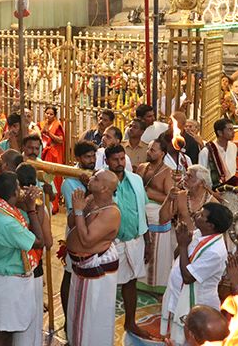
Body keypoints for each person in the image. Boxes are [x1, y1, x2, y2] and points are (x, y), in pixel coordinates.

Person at [0, 172, 47, 346]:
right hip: (7, 282)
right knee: (2, 330)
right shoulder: (8, 223)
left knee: (5, 328)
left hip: (3, 278)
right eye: (18, 188)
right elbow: (40, 242)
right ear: (13, 193)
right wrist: (32, 209)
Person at [160, 203, 232, 345]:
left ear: (210, 225)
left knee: (190, 340)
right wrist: (182, 241)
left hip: (198, 306)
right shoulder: (200, 234)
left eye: (201, 215)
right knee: (176, 337)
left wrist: (182, 244)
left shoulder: (215, 252)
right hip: (179, 295)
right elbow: (179, 257)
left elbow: (188, 278)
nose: (196, 214)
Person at [66, 170, 121, 346]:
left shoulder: (112, 213)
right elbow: (71, 223)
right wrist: (78, 209)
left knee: (91, 316)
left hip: (94, 272)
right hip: (80, 268)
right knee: (78, 315)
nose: (90, 178)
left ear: (105, 188)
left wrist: (80, 211)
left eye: (96, 178)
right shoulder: (90, 200)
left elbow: (87, 240)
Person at [105, 144, 150, 338]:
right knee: (106, 286)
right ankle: (102, 327)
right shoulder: (102, 181)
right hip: (110, 244)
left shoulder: (136, 180)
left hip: (134, 240)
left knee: (131, 283)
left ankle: (130, 323)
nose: (119, 163)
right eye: (115, 159)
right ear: (107, 161)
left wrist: (147, 241)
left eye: (122, 158)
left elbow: (143, 211)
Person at [14, 163, 52, 346]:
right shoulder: (39, 205)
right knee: (32, 314)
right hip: (34, 266)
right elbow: (48, 241)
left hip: (17, 268)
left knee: (19, 315)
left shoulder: (10, 205)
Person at [59, 140, 97, 326]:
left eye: (93, 156)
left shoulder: (94, 175)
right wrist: (90, 187)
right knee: (69, 273)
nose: (92, 160)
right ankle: (68, 319)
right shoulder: (69, 182)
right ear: (78, 158)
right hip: (75, 231)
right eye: (87, 157)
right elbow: (80, 209)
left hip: (92, 231)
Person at [136, 139, 174, 293]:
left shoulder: (168, 172)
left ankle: (156, 286)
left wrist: (150, 194)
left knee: (157, 251)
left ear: (162, 153)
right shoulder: (141, 168)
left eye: (153, 150)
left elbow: (170, 197)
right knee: (140, 248)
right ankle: (139, 282)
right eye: (149, 148)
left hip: (157, 216)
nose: (149, 152)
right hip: (140, 214)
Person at [159, 165, 218, 230]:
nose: (184, 178)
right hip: (180, 238)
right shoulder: (180, 196)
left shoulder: (213, 203)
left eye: (190, 176)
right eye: (186, 175)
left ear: (202, 183)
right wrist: (169, 199)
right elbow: (163, 220)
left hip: (202, 239)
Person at [199, 118, 238, 188]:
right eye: (230, 129)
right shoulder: (207, 151)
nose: (233, 132)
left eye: (233, 129)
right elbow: (201, 175)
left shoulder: (233, 147)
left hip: (231, 189)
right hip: (214, 190)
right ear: (220, 132)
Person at [40, 106, 65, 212]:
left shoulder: (57, 125)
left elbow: (60, 140)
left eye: (51, 114)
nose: (48, 116)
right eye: (47, 113)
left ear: (55, 116)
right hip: (44, 153)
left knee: (53, 177)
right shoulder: (40, 124)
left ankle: (54, 205)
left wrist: (49, 133)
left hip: (53, 154)